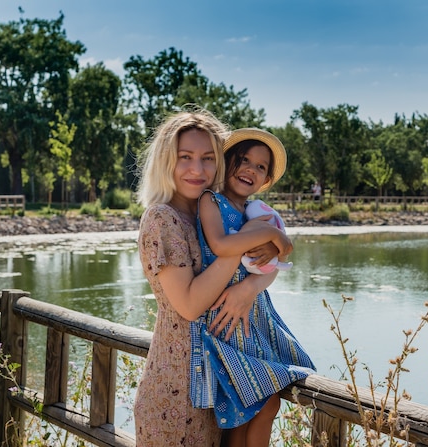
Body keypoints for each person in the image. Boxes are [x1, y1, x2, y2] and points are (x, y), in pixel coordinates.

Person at [133, 110, 282, 447]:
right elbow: (189, 305)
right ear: (166, 161)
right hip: (177, 385)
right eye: (185, 157)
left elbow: (263, 265)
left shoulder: (212, 211)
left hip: (217, 382)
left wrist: (251, 285)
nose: (197, 170)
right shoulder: (162, 218)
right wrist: (241, 239)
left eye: (207, 158)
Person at [192, 128, 316, 447]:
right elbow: (221, 244)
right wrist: (273, 238)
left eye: (260, 167)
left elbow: (270, 266)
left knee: (258, 404)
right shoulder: (211, 201)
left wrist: (278, 244)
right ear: (227, 161)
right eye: (244, 160)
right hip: (225, 318)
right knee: (255, 404)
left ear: (265, 180)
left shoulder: (260, 214)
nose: (250, 168)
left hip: (253, 316)